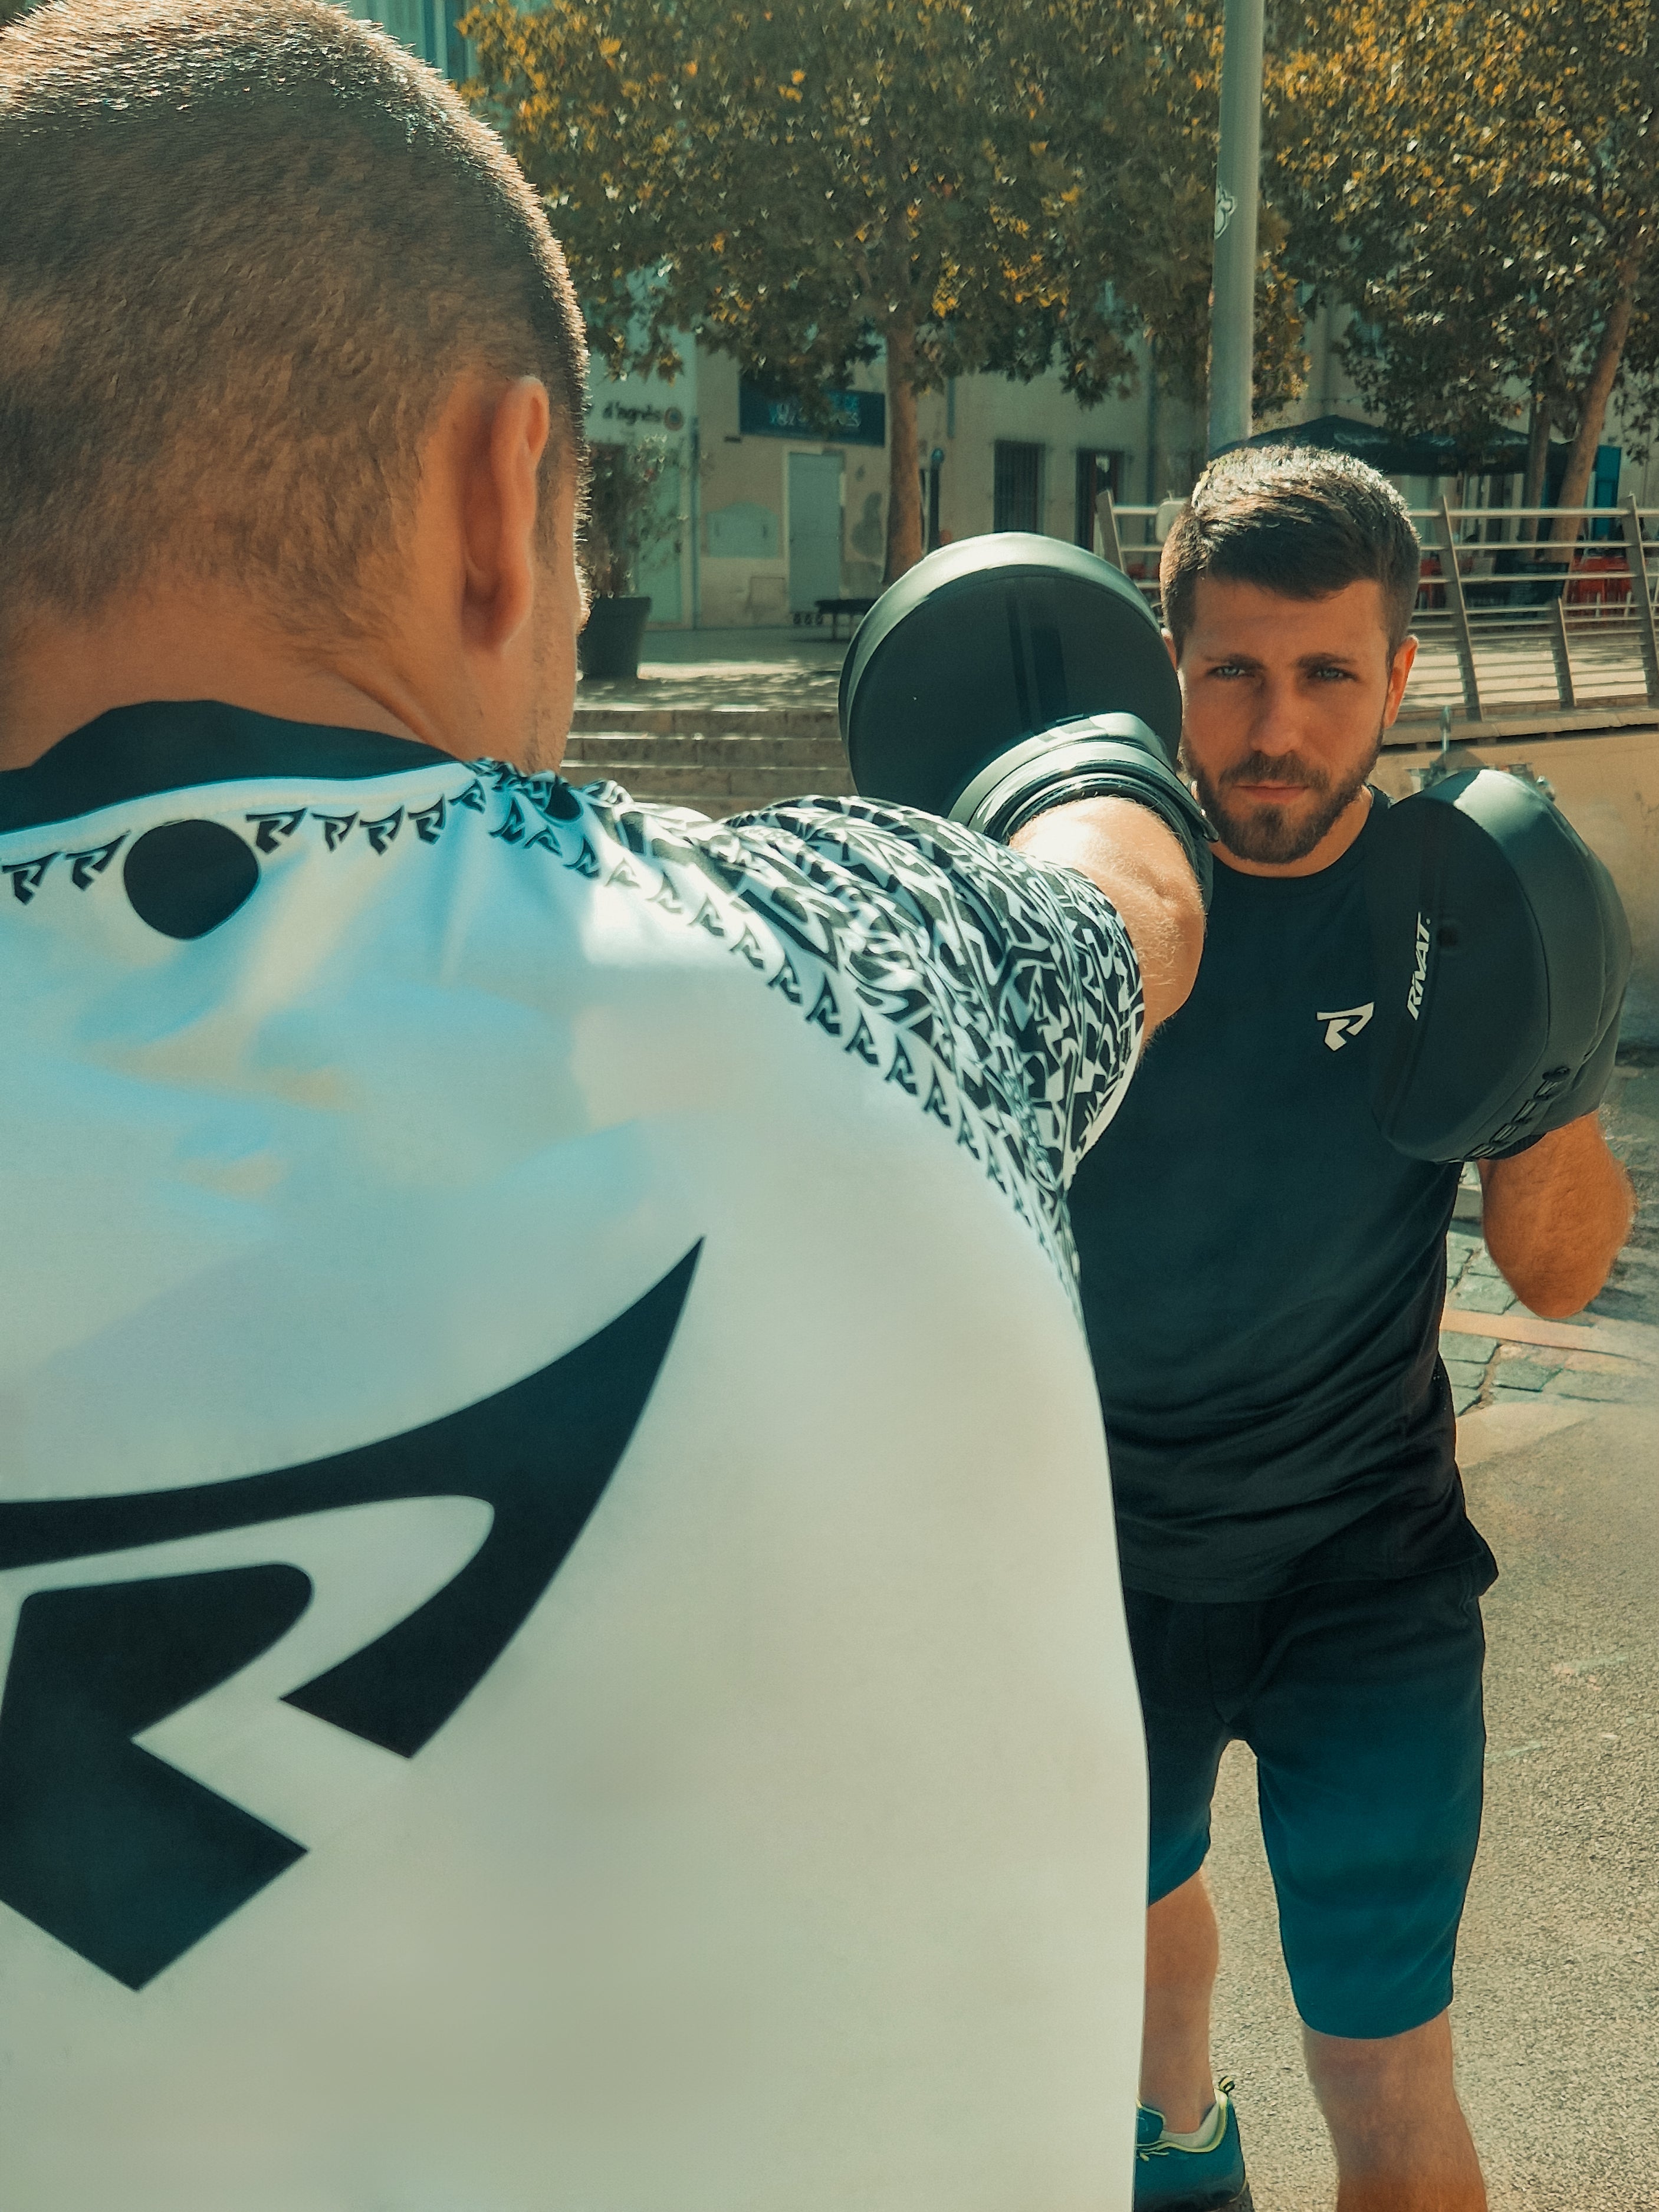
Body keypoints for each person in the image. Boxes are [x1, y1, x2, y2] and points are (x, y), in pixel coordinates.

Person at [0, 5, 1207, 2208]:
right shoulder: (879, 965)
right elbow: (1131, 912)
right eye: (578, 541)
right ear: (498, 497)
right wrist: (1093, 758)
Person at [1067, 447, 1636, 2212]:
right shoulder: (1083, 902)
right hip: (1098, 1560)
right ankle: (1183, 2135)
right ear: (1169, 666)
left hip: (1364, 1569)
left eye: (1326, 674)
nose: (1276, 729)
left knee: (1388, 2071)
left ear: (1397, 678)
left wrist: (1548, 1080)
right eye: (1232, 671)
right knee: (1129, 1946)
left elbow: (1559, 1273)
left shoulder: (1466, 911)